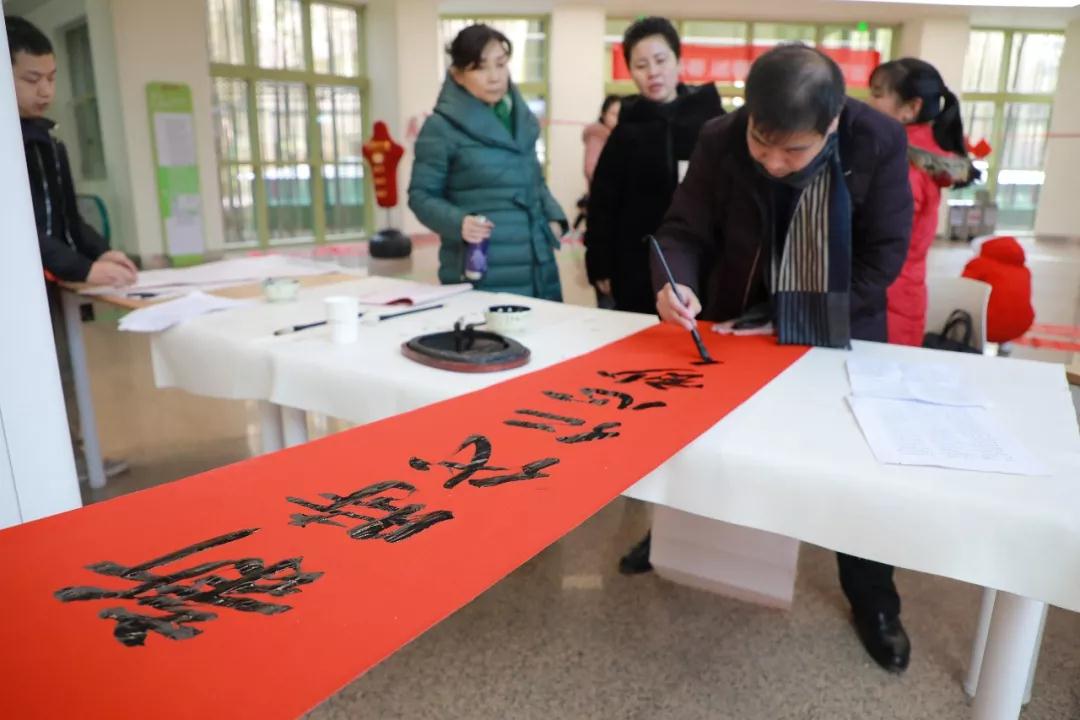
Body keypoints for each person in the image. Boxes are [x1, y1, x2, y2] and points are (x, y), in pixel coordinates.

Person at [648, 45, 914, 673]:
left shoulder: (877, 140)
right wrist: (675, 283)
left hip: (837, 320)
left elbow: (883, 255)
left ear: (832, 124)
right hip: (738, 319)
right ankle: (673, 536)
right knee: (711, 441)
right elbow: (683, 231)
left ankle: (873, 597)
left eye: (793, 151)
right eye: (761, 143)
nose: (771, 162)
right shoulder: (719, 138)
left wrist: (799, 310)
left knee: (852, 467)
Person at [10, 16, 136, 480]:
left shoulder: (49, 140)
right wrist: (79, 268)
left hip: (52, 284)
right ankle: (46, 472)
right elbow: (16, 230)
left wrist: (100, 254)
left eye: (51, 78)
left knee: (62, 372)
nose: (45, 90)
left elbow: (67, 217)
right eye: (31, 79)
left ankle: (74, 459)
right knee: (32, 381)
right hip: (18, 292)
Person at [409, 24, 567, 301]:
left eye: (501, 64)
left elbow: (534, 181)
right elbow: (420, 196)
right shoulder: (441, 128)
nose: (494, 77)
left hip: (537, 262)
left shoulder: (522, 120)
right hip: (481, 265)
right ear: (458, 75)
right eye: (480, 68)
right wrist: (459, 222)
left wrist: (554, 217)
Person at [585, 16, 724, 314]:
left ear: (678, 60)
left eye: (661, 61)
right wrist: (600, 263)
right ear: (631, 72)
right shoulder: (625, 131)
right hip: (636, 263)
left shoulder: (711, 122)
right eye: (641, 65)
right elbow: (603, 204)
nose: (653, 73)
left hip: (704, 260)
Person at [868, 58, 978, 346]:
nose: (869, 103)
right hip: (900, 295)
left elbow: (881, 236)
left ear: (911, 108)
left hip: (886, 303)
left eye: (877, 95)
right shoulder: (915, 157)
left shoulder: (904, 166)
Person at [962, 236, 1035, 345]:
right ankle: (1004, 343)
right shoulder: (1024, 270)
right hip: (1021, 325)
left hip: (987, 326)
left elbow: (962, 289)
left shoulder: (978, 264)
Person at [583, 94, 621, 185]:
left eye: (621, 114)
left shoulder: (617, 136)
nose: (618, 119)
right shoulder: (597, 135)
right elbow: (591, 170)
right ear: (603, 114)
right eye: (613, 114)